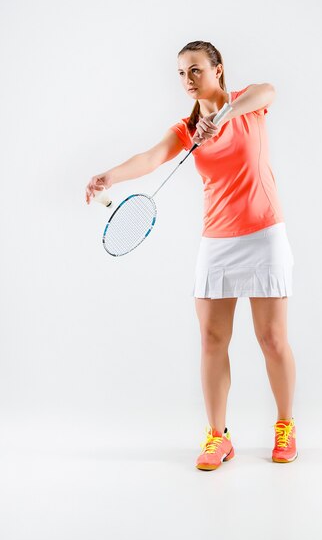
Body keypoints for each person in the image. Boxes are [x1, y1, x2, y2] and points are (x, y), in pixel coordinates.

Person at [85, 40, 298, 471]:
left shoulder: (246, 106)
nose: (187, 80)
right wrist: (109, 176)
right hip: (217, 241)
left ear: (218, 69)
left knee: (271, 340)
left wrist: (220, 118)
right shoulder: (185, 130)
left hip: (264, 235)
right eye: (181, 73)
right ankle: (218, 437)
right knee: (212, 340)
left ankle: (285, 426)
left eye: (196, 70)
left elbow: (269, 90)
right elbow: (149, 158)